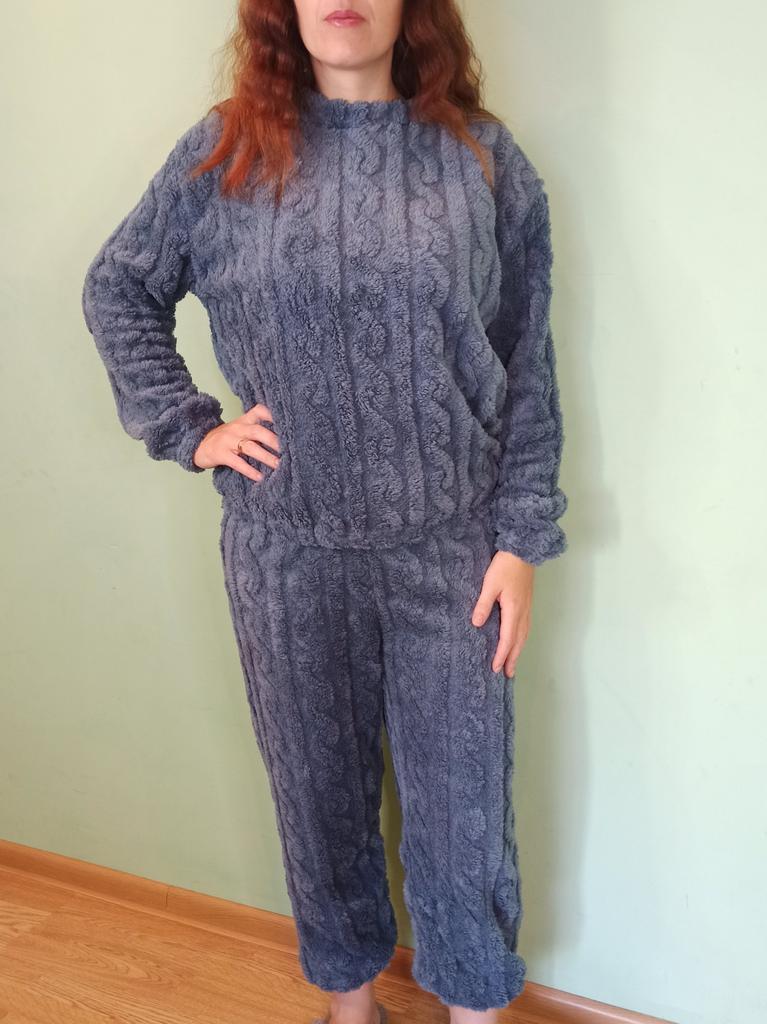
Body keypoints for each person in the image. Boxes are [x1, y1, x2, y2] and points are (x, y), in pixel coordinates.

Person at [80, 1, 568, 1022]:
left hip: (453, 555)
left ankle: (473, 1010)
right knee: (316, 800)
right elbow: (119, 288)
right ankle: (351, 1008)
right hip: (286, 555)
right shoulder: (223, 154)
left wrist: (521, 537)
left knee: (464, 813)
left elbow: (525, 358)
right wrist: (191, 427)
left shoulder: (480, 161)